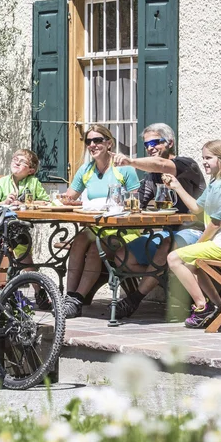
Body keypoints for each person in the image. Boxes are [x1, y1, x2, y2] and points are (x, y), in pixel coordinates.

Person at [108, 123, 206, 318]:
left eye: (154, 142)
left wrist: (130, 161)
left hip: (195, 230)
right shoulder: (153, 175)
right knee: (120, 255)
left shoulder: (186, 164)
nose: (150, 147)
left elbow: (162, 165)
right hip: (167, 231)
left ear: (169, 142)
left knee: (166, 245)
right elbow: (138, 203)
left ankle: (134, 299)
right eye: (146, 145)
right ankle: (170, 283)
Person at [58, 124, 140, 318]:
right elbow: (70, 197)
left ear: (109, 143)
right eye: (89, 141)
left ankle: (78, 299)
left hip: (123, 229)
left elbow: (136, 202)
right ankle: (69, 297)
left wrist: (115, 203)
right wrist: (65, 199)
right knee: (79, 240)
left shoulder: (124, 168)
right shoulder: (86, 169)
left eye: (97, 140)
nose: (92, 145)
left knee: (96, 247)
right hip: (97, 226)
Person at [165, 139, 221, 328]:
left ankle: (202, 307)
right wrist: (176, 186)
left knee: (173, 259)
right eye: (203, 158)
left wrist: (198, 244)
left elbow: (215, 224)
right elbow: (195, 208)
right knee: (193, 264)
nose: (204, 162)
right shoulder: (215, 183)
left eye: (208, 158)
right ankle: (218, 307)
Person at [0, 149, 49, 263]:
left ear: (31, 170)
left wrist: (25, 204)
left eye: (23, 161)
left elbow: (45, 202)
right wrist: (4, 202)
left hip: (19, 230)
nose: (17, 162)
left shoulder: (33, 183)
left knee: (26, 262)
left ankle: (33, 280)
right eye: (15, 159)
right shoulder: (2, 182)